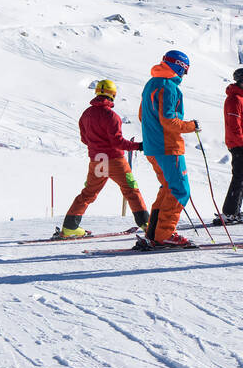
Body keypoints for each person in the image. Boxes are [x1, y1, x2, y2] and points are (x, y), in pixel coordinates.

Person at [55, 79, 149, 238]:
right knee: (131, 190)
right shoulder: (111, 116)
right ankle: (147, 224)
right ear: (113, 95)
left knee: (88, 193)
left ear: (97, 92)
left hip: (98, 160)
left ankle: (70, 227)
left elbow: (84, 139)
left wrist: (96, 145)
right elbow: (117, 142)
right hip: (114, 160)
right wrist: (138, 146)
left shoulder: (86, 114)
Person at [136, 49, 201, 249]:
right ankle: (164, 235)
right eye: (185, 70)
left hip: (153, 147)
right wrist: (191, 125)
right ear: (178, 66)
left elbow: (141, 115)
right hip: (168, 147)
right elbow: (170, 121)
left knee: (167, 188)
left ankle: (155, 233)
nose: (184, 75)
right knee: (180, 190)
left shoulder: (151, 83)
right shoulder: (169, 87)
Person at [220, 67, 243, 223]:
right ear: (242, 81)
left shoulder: (241, 98)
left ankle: (234, 211)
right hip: (238, 145)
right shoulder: (234, 99)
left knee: (241, 178)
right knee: (239, 179)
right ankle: (230, 213)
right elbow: (234, 125)